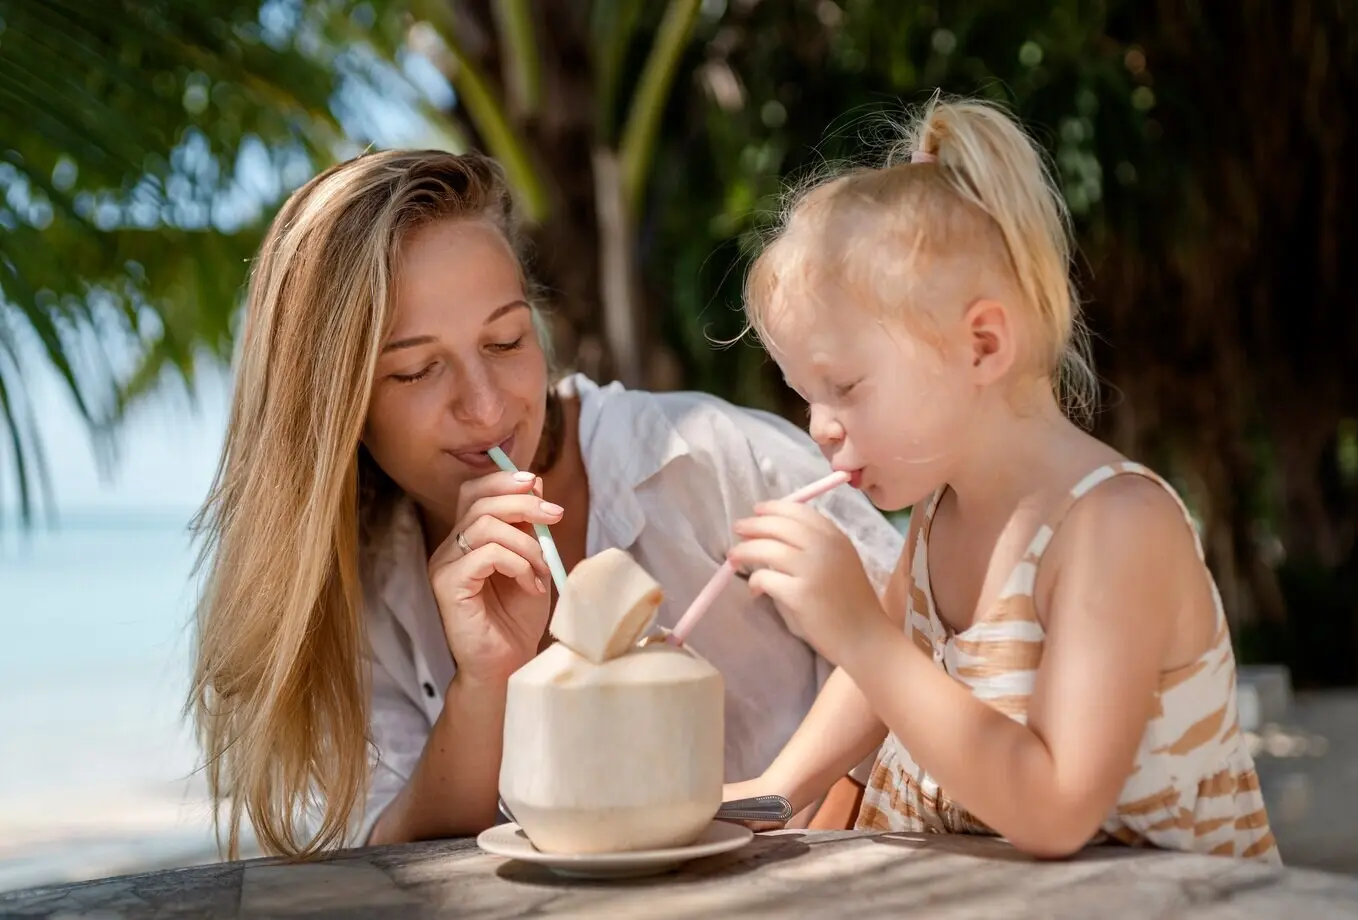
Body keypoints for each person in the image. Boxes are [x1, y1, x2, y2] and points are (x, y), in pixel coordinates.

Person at [186, 149, 902, 857]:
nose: (488, 405)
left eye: (505, 339)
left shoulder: (702, 460)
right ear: (339, 409)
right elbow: (390, 853)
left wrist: (808, 811)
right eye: (416, 370)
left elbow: (934, 629)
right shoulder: (358, 590)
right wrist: (486, 678)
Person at [722, 95, 1280, 863]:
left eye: (845, 387)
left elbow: (1056, 810)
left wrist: (850, 627)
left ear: (982, 345)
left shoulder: (1115, 528)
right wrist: (768, 795)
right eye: (805, 396)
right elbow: (883, 667)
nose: (820, 425)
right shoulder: (937, 515)